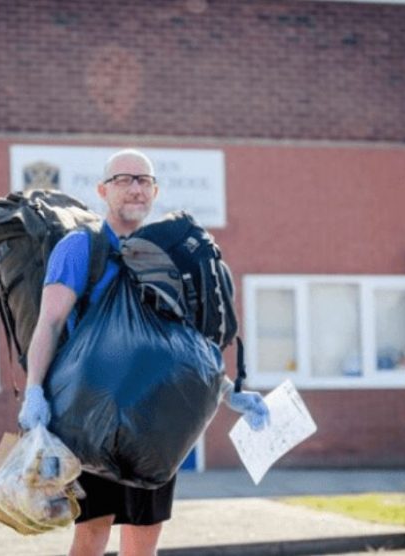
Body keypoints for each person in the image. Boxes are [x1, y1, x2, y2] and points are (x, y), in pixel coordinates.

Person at [16, 148, 271, 556]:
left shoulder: (167, 256)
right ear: (103, 190)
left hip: (156, 421)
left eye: (144, 180)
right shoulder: (81, 247)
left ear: (155, 191)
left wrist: (229, 393)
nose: (135, 188)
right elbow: (49, 321)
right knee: (91, 534)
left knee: (144, 539)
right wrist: (34, 392)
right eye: (123, 180)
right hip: (91, 416)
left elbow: (180, 349)